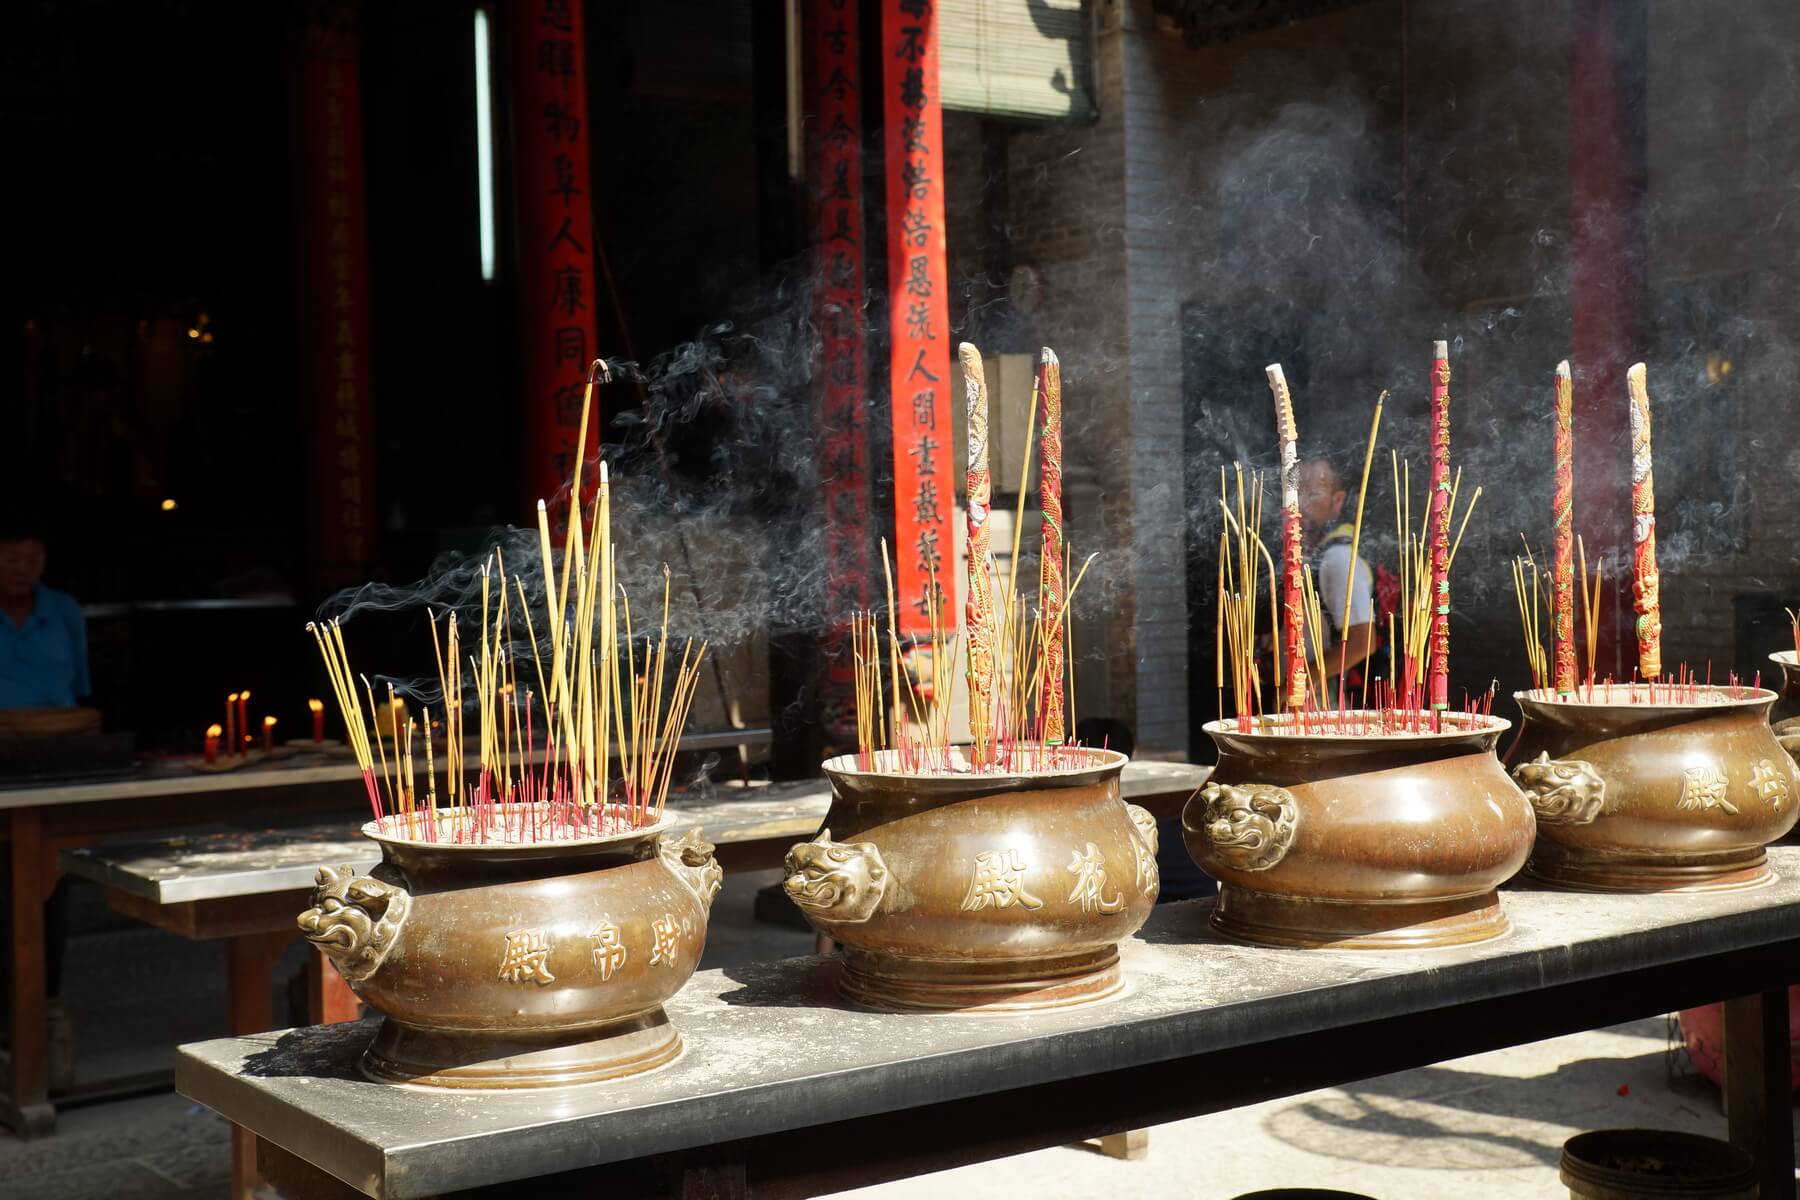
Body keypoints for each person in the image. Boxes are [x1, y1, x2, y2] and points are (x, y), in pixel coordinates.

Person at [1296, 456, 1378, 696]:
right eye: (1294, 493)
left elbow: (1363, 642)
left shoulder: (1337, 558)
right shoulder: (1311, 556)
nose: (1299, 504)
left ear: (1337, 500)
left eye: (1312, 495)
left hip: (1328, 704)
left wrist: (1302, 681)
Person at [0, 521, 90, 709]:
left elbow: (81, 687)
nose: (22, 570)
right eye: (11, 560)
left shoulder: (65, 608)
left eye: (33, 560)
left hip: (59, 730)